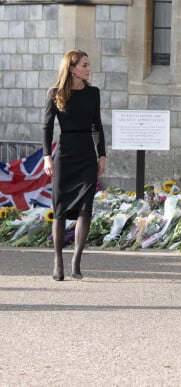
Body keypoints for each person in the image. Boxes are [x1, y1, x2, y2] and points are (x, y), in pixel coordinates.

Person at [42, 49, 106, 281]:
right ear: (71, 68)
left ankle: (76, 259)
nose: (89, 69)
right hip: (64, 156)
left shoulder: (93, 93)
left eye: (89, 65)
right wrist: (47, 156)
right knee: (59, 210)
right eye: (85, 65)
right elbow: (47, 127)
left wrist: (102, 155)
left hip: (87, 156)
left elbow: (97, 126)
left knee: (85, 210)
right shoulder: (54, 93)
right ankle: (58, 260)